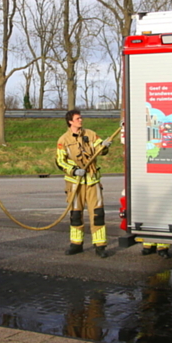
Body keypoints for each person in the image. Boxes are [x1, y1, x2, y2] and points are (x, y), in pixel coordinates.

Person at [56, 109, 111, 258]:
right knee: (75, 214)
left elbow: (100, 149)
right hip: (75, 183)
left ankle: (100, 245)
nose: (81, 120)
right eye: (78, 118)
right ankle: (76, 244)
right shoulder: (63, 140)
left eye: (81, 118)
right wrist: (73, 170)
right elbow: (60, 161)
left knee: (98, 213)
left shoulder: (91, 134)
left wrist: (105, 146)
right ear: (70, 121)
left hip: (92, 180)